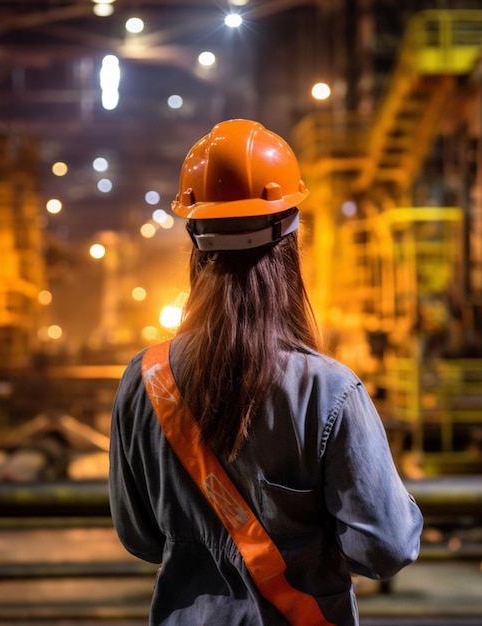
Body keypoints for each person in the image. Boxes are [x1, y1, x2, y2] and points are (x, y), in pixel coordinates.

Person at [109, 119, 423, 625]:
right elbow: (385, 548)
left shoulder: (143, 380)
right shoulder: (330, 391)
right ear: (291, 242)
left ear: (195, 239)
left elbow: (140, 537)